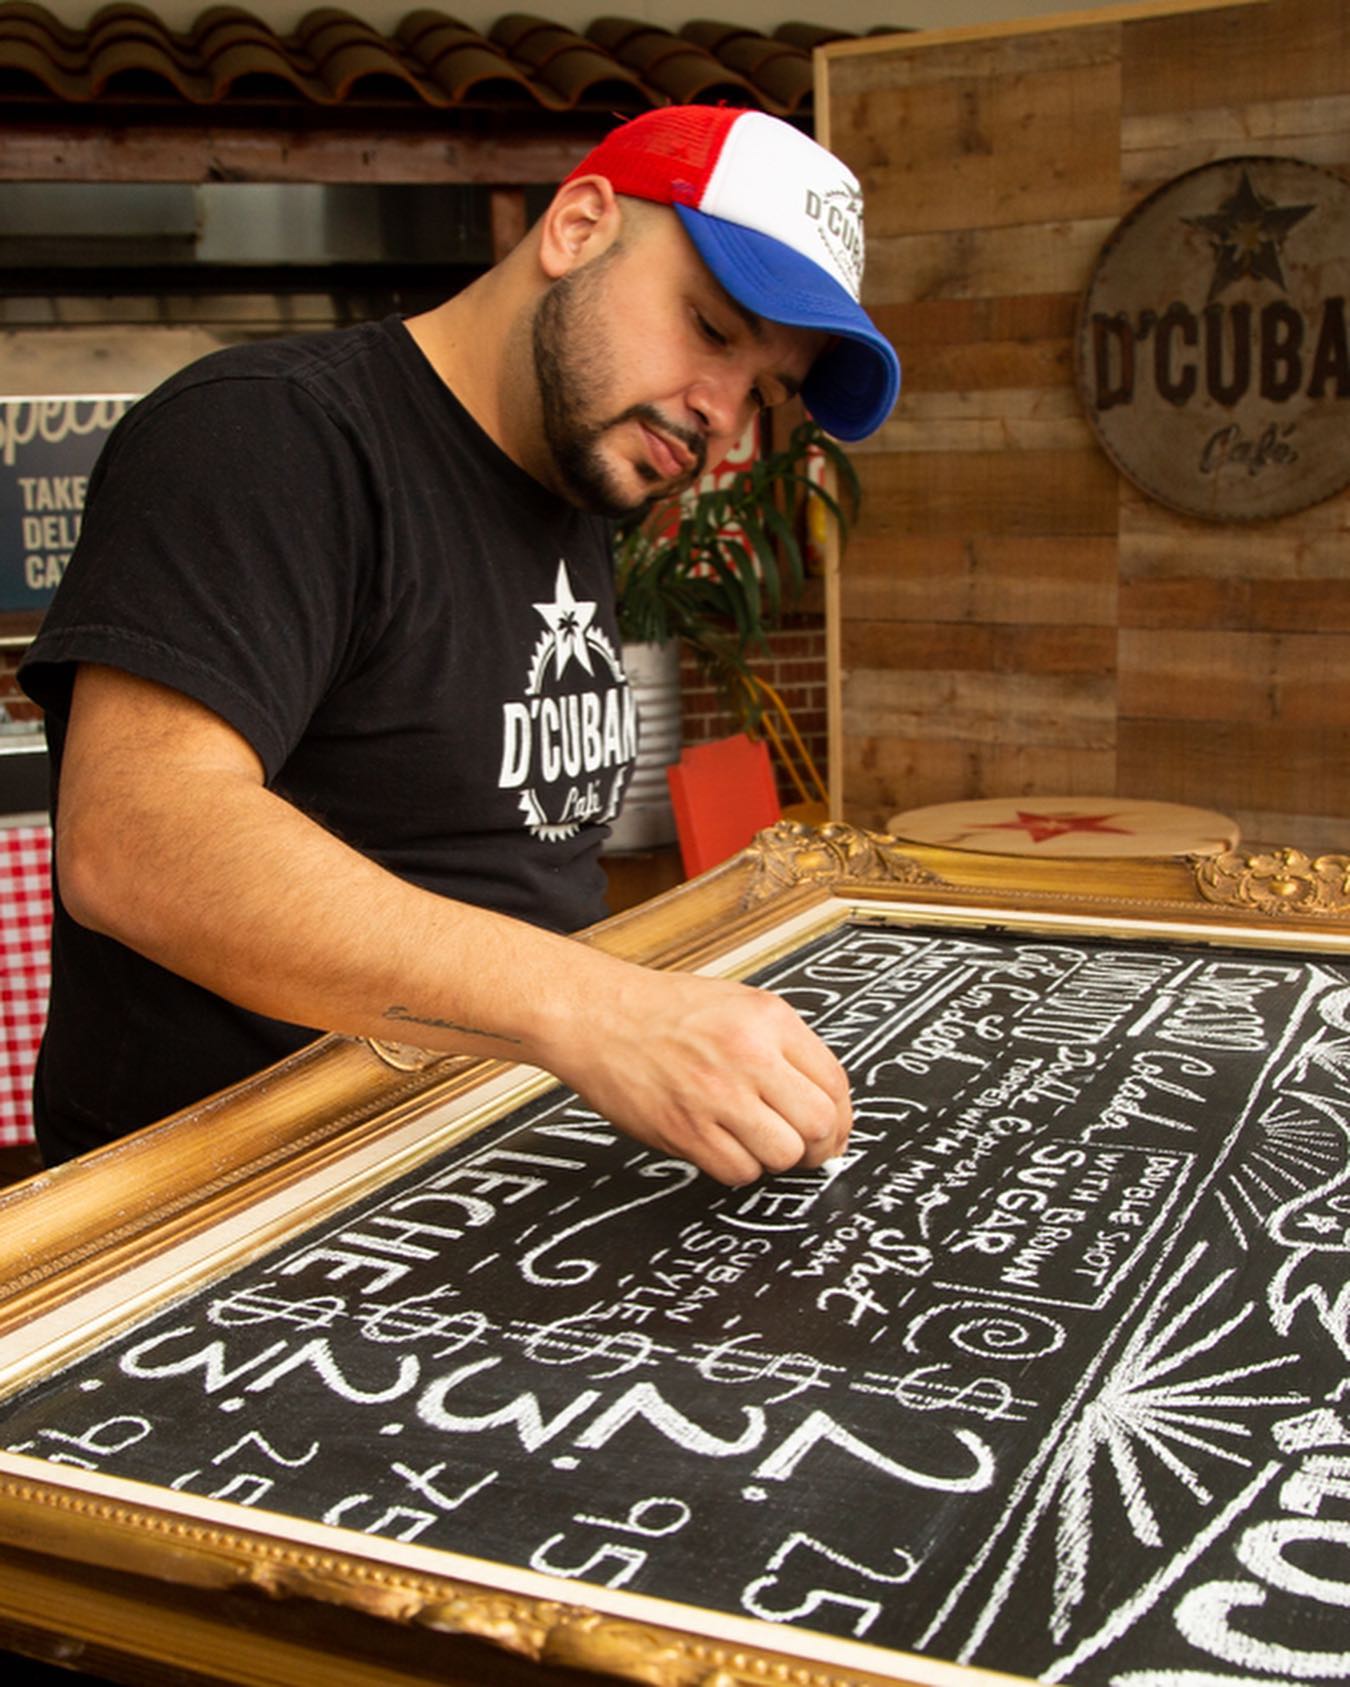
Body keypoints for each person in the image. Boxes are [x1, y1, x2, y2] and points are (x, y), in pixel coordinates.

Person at [19, 104, 901, 1184]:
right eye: (712, 329)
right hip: (232, 1205)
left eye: (765, 391)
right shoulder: (268, 434)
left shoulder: (574, 481)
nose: (725, 414)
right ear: (578, 226)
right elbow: (137, 839)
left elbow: (519, 868)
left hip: (484, 1164)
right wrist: (601, 1010)